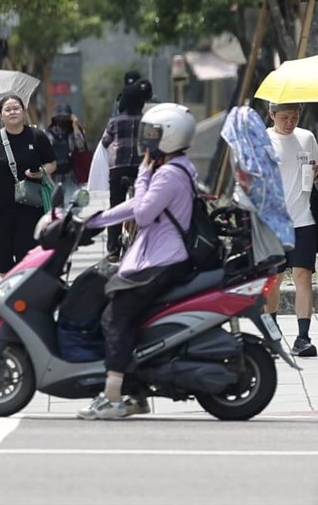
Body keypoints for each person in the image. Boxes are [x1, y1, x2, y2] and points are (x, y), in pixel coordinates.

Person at [78, 103, 198, 420]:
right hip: (157, 256)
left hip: (161, 260)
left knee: (114, 316)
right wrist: (94, 220)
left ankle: (113, 396)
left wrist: (143, 172)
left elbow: (143, 213)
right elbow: (137, 204)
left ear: (170, 137)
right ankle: (137, 392)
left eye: (153, 134)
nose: (146, 140)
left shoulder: (169, 172)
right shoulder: (175, 167)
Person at [265, 103, 318, 357]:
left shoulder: (307, 138)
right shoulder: (263, 140)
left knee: (302, 276)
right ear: (272, 115)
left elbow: (312, 174)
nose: (290, 122)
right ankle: (273, 335)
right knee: (274, 279)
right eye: (285, 117)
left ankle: (303, 337)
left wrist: (315, 173)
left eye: (295, 117)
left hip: (303, 220)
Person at [0, 95, 56, 274]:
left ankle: (25, 293)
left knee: (28, 257)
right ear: (1, 115)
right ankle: (6, 286)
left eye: (16, 108)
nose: (12, 112)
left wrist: (41, 172)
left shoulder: (37, 136)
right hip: (1, 208)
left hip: (31, 209)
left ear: (23, 111)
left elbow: (52, 163)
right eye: (8, 109)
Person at [102, 84, 145, 262]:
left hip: (118, 169)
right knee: (144, 205)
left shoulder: (115, 121)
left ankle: (113, 250)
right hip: (140, 168)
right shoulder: (146, 121)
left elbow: (105, 142)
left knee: (116, 208)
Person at [44, 103, 88, 202]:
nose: (63, 120)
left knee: (72, 203)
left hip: (70, 175)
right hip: (53, 176)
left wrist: (76, 125)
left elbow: (81, 147)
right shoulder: (48, 134)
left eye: (66, 117)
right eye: (61, 117)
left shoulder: (72, 133)